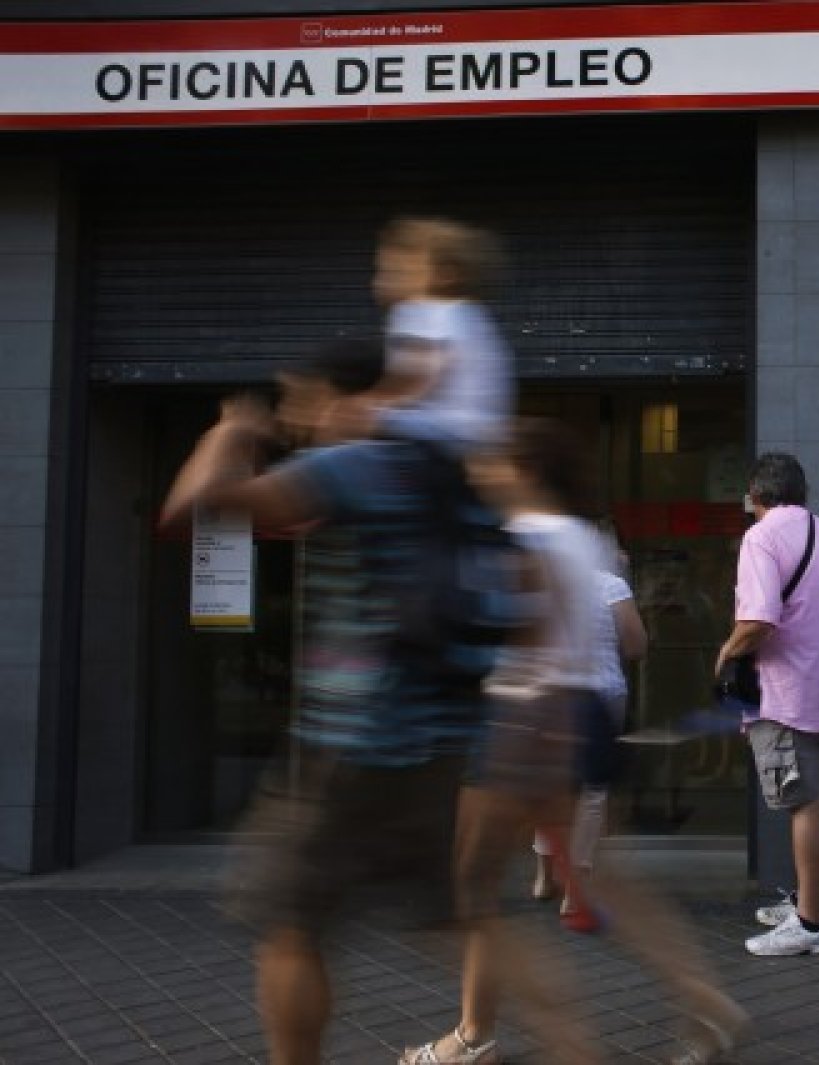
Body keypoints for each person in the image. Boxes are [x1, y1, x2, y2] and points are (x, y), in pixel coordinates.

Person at [159, 339, 498, 1065]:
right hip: (437, 741)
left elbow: (191, 510)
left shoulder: (352, 466)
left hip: (347, 743)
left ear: (344, 396)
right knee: (453, 922)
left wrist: (230, 433)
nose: (295, 420)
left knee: (289, 927)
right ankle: (569, 1038)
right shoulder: (439, 473)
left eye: (301, 400)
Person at [404, 419, 746, 1065]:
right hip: (577, 713)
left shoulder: (526, 538)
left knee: (469, 889)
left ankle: (514, 1039)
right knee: (600, 880)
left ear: (527, 470)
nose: (483, 470)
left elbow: (516, 638)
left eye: (496, 461)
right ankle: (704, 999)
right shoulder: (585, 539)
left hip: (525, 717)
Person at [716, 452, 819, 957]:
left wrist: (726, 652)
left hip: (787, 691)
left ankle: (810, 924)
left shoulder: (761, 536)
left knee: (803, 799)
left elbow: (759, 619)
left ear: (756, 496)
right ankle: (811, 902)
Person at [531, 536, 648, 913]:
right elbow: (636, 646)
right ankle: (574, 887)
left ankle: (544, 876)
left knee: (551, 784)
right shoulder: (611, 586)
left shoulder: (544, 584)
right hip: (601, 693)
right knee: (592, 791)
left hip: (551, 693)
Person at [361, 216, 514, 453]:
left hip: (448, 429)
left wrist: (371, 405)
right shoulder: (471, 313)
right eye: (381, 272)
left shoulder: (422, 308)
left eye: (396, 272)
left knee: (353, 429)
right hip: (485, 433)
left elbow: (421, 373)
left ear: (444, 275)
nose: (379, 282)